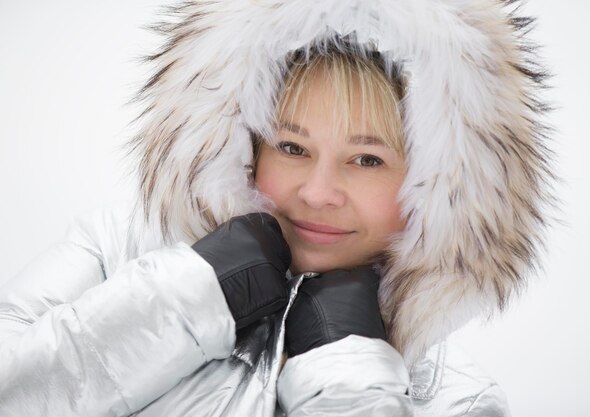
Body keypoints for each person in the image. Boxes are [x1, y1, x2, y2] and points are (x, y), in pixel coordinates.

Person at [0, 0, 553, 416]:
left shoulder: (457, 400)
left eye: (366, 159)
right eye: (292, 147)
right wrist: (182, 300)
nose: (317, 192)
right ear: (245, 145)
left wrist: (350, 381)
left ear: (440, 185)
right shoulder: (116, 252)